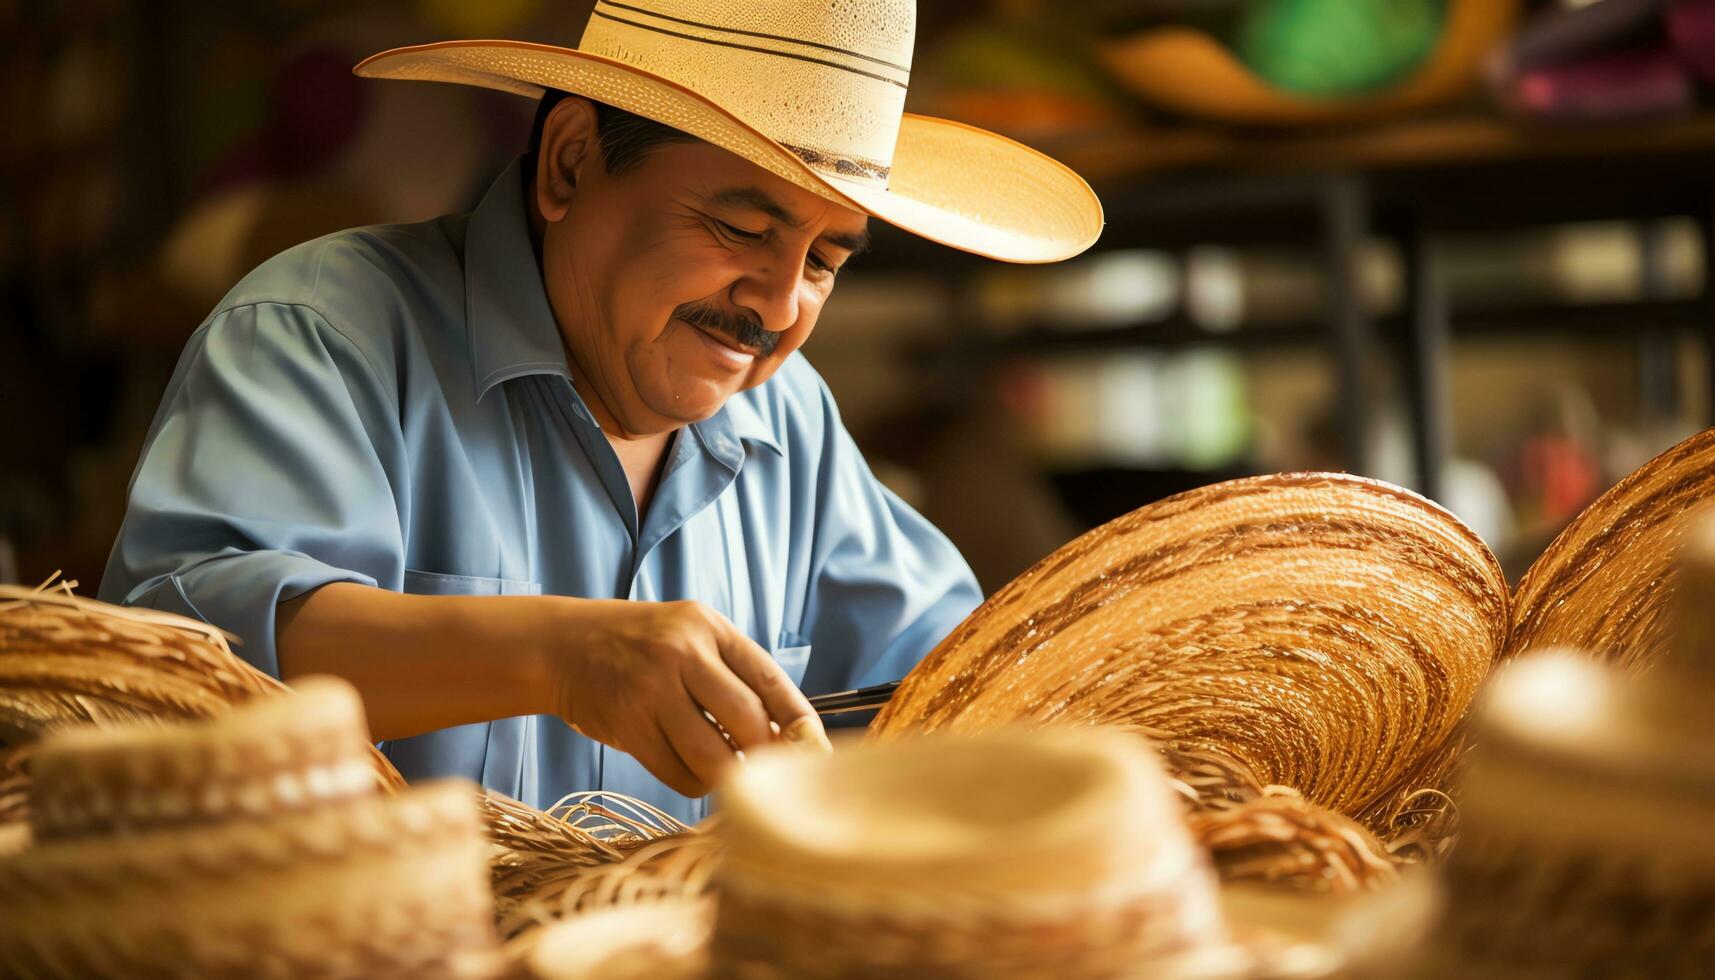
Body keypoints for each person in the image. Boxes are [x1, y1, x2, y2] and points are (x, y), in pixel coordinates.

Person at [99, 0, 1103, 823]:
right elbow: (176, 665)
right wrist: (556, 654)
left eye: (826, 261)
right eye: (740, 225)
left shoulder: (788, 423)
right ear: (570, 162)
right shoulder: (323, 333)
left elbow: (961, 681)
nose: (780, 301)